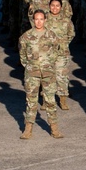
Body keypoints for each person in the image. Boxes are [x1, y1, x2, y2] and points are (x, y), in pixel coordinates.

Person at [18, 9, 64, 139]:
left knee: (50, 101)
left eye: (41, 19)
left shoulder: (51, 36)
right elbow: (22, 55)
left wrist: (48, 64)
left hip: (48, 73)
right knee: (31, 101)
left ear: (45, 20)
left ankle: (54, 128)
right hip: (32, 73)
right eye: (36, 19)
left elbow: (56, 51)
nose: (38, 22)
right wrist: (29, 66)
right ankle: (28, 129)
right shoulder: (26, 37)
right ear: (33, 20)